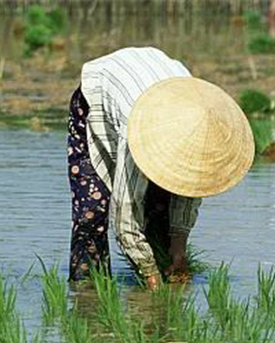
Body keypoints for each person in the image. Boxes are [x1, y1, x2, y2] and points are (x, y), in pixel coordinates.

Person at [67, 46, 254, 288]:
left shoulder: (202, 123)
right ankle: (88, 293)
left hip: (161, 92)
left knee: (159, 212)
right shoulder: (138, 132)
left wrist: (178, 249)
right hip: (102, 94)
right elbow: (124, 214)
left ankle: (161, 272)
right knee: (91, 214)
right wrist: (151, 278)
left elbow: (190, 192)